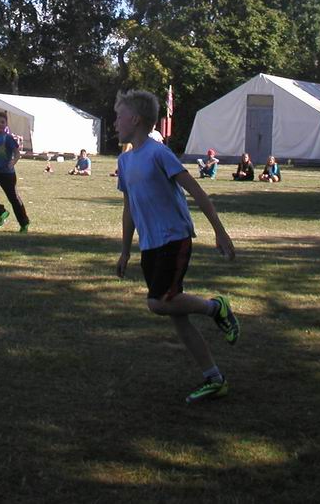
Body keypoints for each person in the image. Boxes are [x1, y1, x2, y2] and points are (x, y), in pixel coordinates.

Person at [113, 89, 240, 405]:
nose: (115, 123)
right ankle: (214, 378)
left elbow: (197, 192)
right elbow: (129, 208)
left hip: (174, 237)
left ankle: (216, 307)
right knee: (175, 311)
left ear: (135, 119)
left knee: (158, 303)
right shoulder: (124, 161)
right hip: (150, 244)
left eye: (119, 116)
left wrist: (220, 232)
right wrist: (126, 250)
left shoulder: (159, 153)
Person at [0, 111, 31, 232]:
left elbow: (17, 153)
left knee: (13, 199)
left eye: (2, 122)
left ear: (6, 124)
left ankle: (24, 224)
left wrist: (13, 162)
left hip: (7, 174)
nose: (0, 124)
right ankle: (1, 212)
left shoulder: (8, 138)